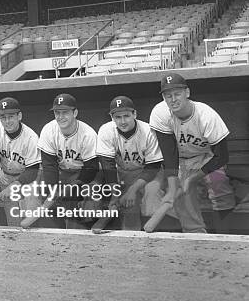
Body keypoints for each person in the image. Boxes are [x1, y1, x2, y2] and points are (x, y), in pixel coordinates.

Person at [149, 73, 236, 233]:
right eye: (168, 96)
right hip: (182, 160)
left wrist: (193, 178)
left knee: (220, 189)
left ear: (187, 93)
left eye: (177, 94)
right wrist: (174, 185)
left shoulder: (206, 116)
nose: (173, 99)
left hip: (208, 157)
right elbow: (169, 155)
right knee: (183, 198)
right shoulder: (160, 113)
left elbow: (222, 156)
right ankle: (196, 236)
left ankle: (225, 235)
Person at [96, 96, 163, 230]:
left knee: (152, 195)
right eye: (118, 117)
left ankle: (157, 234)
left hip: (149, 172)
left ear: (135, 114)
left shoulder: (148, 131)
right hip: (123, 173)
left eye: (126, 116)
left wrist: (133, 189)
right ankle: (132, 241)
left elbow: (153, 167)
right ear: (112, 118)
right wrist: (116, 194)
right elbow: (107, 164)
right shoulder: (106, 130)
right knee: (128, 207)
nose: (122, 121)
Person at [37, 93, 99, 229]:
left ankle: (78, 231)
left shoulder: (88, 134)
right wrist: (52, 192)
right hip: (61, 171)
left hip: (84, 173)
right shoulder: (49, 130)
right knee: (41, 185)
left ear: (75, 113)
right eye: (57, 113)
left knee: (78, 197)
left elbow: (91, 168)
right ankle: (54, 230)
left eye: (65, 112)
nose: (60, 117)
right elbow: (49, 165)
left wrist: (74, 186)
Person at [0, 97, 41, 227]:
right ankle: (16, 244)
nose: (7, 121)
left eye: (11, 116)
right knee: (13, 222)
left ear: (19, 116)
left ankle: (33, 240)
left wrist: (13, 187)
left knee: (29, 218)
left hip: (28, 178)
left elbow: (33, 170)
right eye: (3, 117)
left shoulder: (31, 137)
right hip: (5, 176)